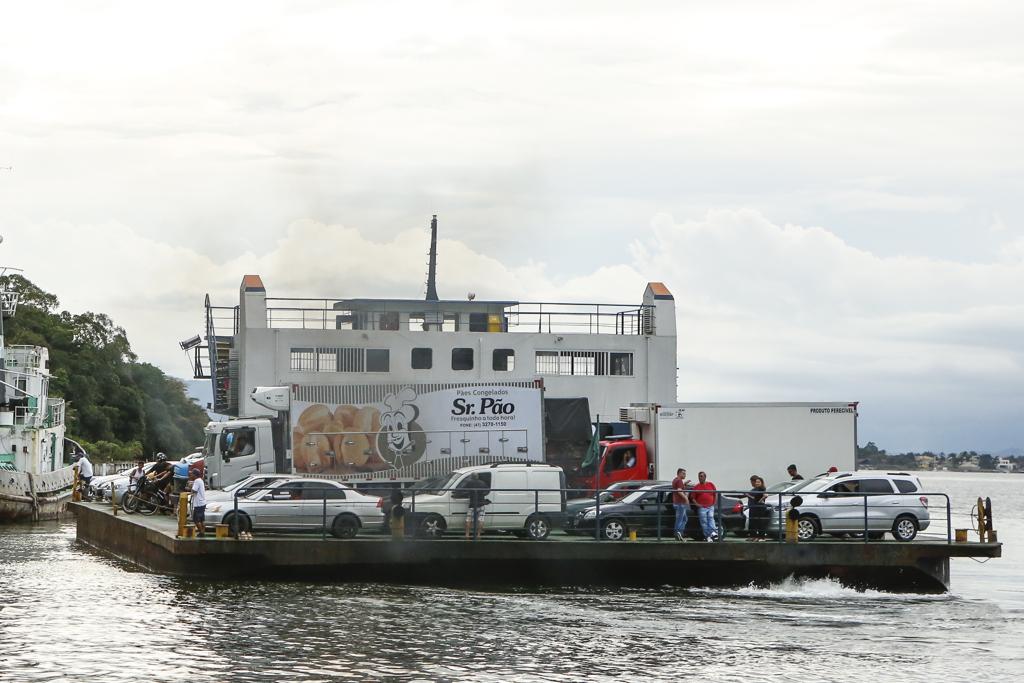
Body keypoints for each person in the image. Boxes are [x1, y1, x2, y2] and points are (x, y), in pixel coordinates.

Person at [691, 471, 719, 542]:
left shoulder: (711, 484)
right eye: (699, 476)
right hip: (702, 507)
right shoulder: (696, 487)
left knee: (711, 518)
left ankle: (713, 533)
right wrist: (697, 504)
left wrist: (714, 502)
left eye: (701, 476)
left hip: (710, 506)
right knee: (704, 521)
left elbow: (715, 493)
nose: (700, 478)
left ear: (705, 477)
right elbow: (692, 498)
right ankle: (708, 536)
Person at [462, 472, 489, 540]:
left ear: (472, 477)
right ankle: (479, 535)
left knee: (468, 519)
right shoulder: (482, 483)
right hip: (481, 503)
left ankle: (467, 534)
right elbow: (487, 491)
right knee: (481, 520)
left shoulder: (469, 483)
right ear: (478, 477)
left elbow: (463, 490)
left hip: (472, 504)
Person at [744, 475, 769, 541]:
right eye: (756, 482)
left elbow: (756, 499)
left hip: (759, 507)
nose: (757, 483)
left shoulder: (761, 489)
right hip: (754, 507)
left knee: (760, 522)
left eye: (758, 482)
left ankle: (761, 537)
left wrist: (748, 495)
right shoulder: (755, 489)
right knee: (753, 522)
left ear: (761, 482)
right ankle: (754, 536)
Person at [671, 467, 692, 541]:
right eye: (683, 473)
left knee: (684, 519)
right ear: (679, 473)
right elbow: (679, 491)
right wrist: (686, 499)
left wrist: (684, 484)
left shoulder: (675, 480)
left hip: (677, 503)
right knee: (680, 520)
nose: (685, 475)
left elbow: (679, 488)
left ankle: (679, 533)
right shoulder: (679, 481)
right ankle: (678, 533)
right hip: (680, 503)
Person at [188, 468, 207, 536]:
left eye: (192, 474)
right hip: (203, 503)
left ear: (195, 475)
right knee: (202, 519)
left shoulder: (196, 481)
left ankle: (201, 532)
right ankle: (203, 531)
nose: (191, 475)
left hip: (198, 503)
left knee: (195, 519)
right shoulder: (200, 480)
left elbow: (194, 490)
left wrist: (190, 487)